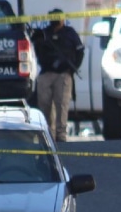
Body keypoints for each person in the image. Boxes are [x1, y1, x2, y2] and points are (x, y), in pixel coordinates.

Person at [30, 9, 84, 142]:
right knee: (44, 106)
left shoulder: (70, 33)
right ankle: (48, 136)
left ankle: (61, 137)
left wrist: (73, 68)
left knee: (62, 106)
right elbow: (34, 47)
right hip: (46, 73)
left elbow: (80, 51)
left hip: (63, 74)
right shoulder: (44, 33)